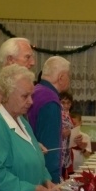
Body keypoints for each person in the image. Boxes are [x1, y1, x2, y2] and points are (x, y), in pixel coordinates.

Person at [27, 55, 71, 183]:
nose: (69, 80)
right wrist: (53, 180)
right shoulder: (50, 99)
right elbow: (50, 147)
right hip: (43, 176)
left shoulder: (36, 91)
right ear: (61, 77)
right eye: (69, 76)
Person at [59, 89, 77, 179]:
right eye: (63, 102)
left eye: (68, 103)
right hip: (59, 152)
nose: (66, 105)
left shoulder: (69, 116)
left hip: (67, 152)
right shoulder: (59, 114)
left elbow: (70, 133)